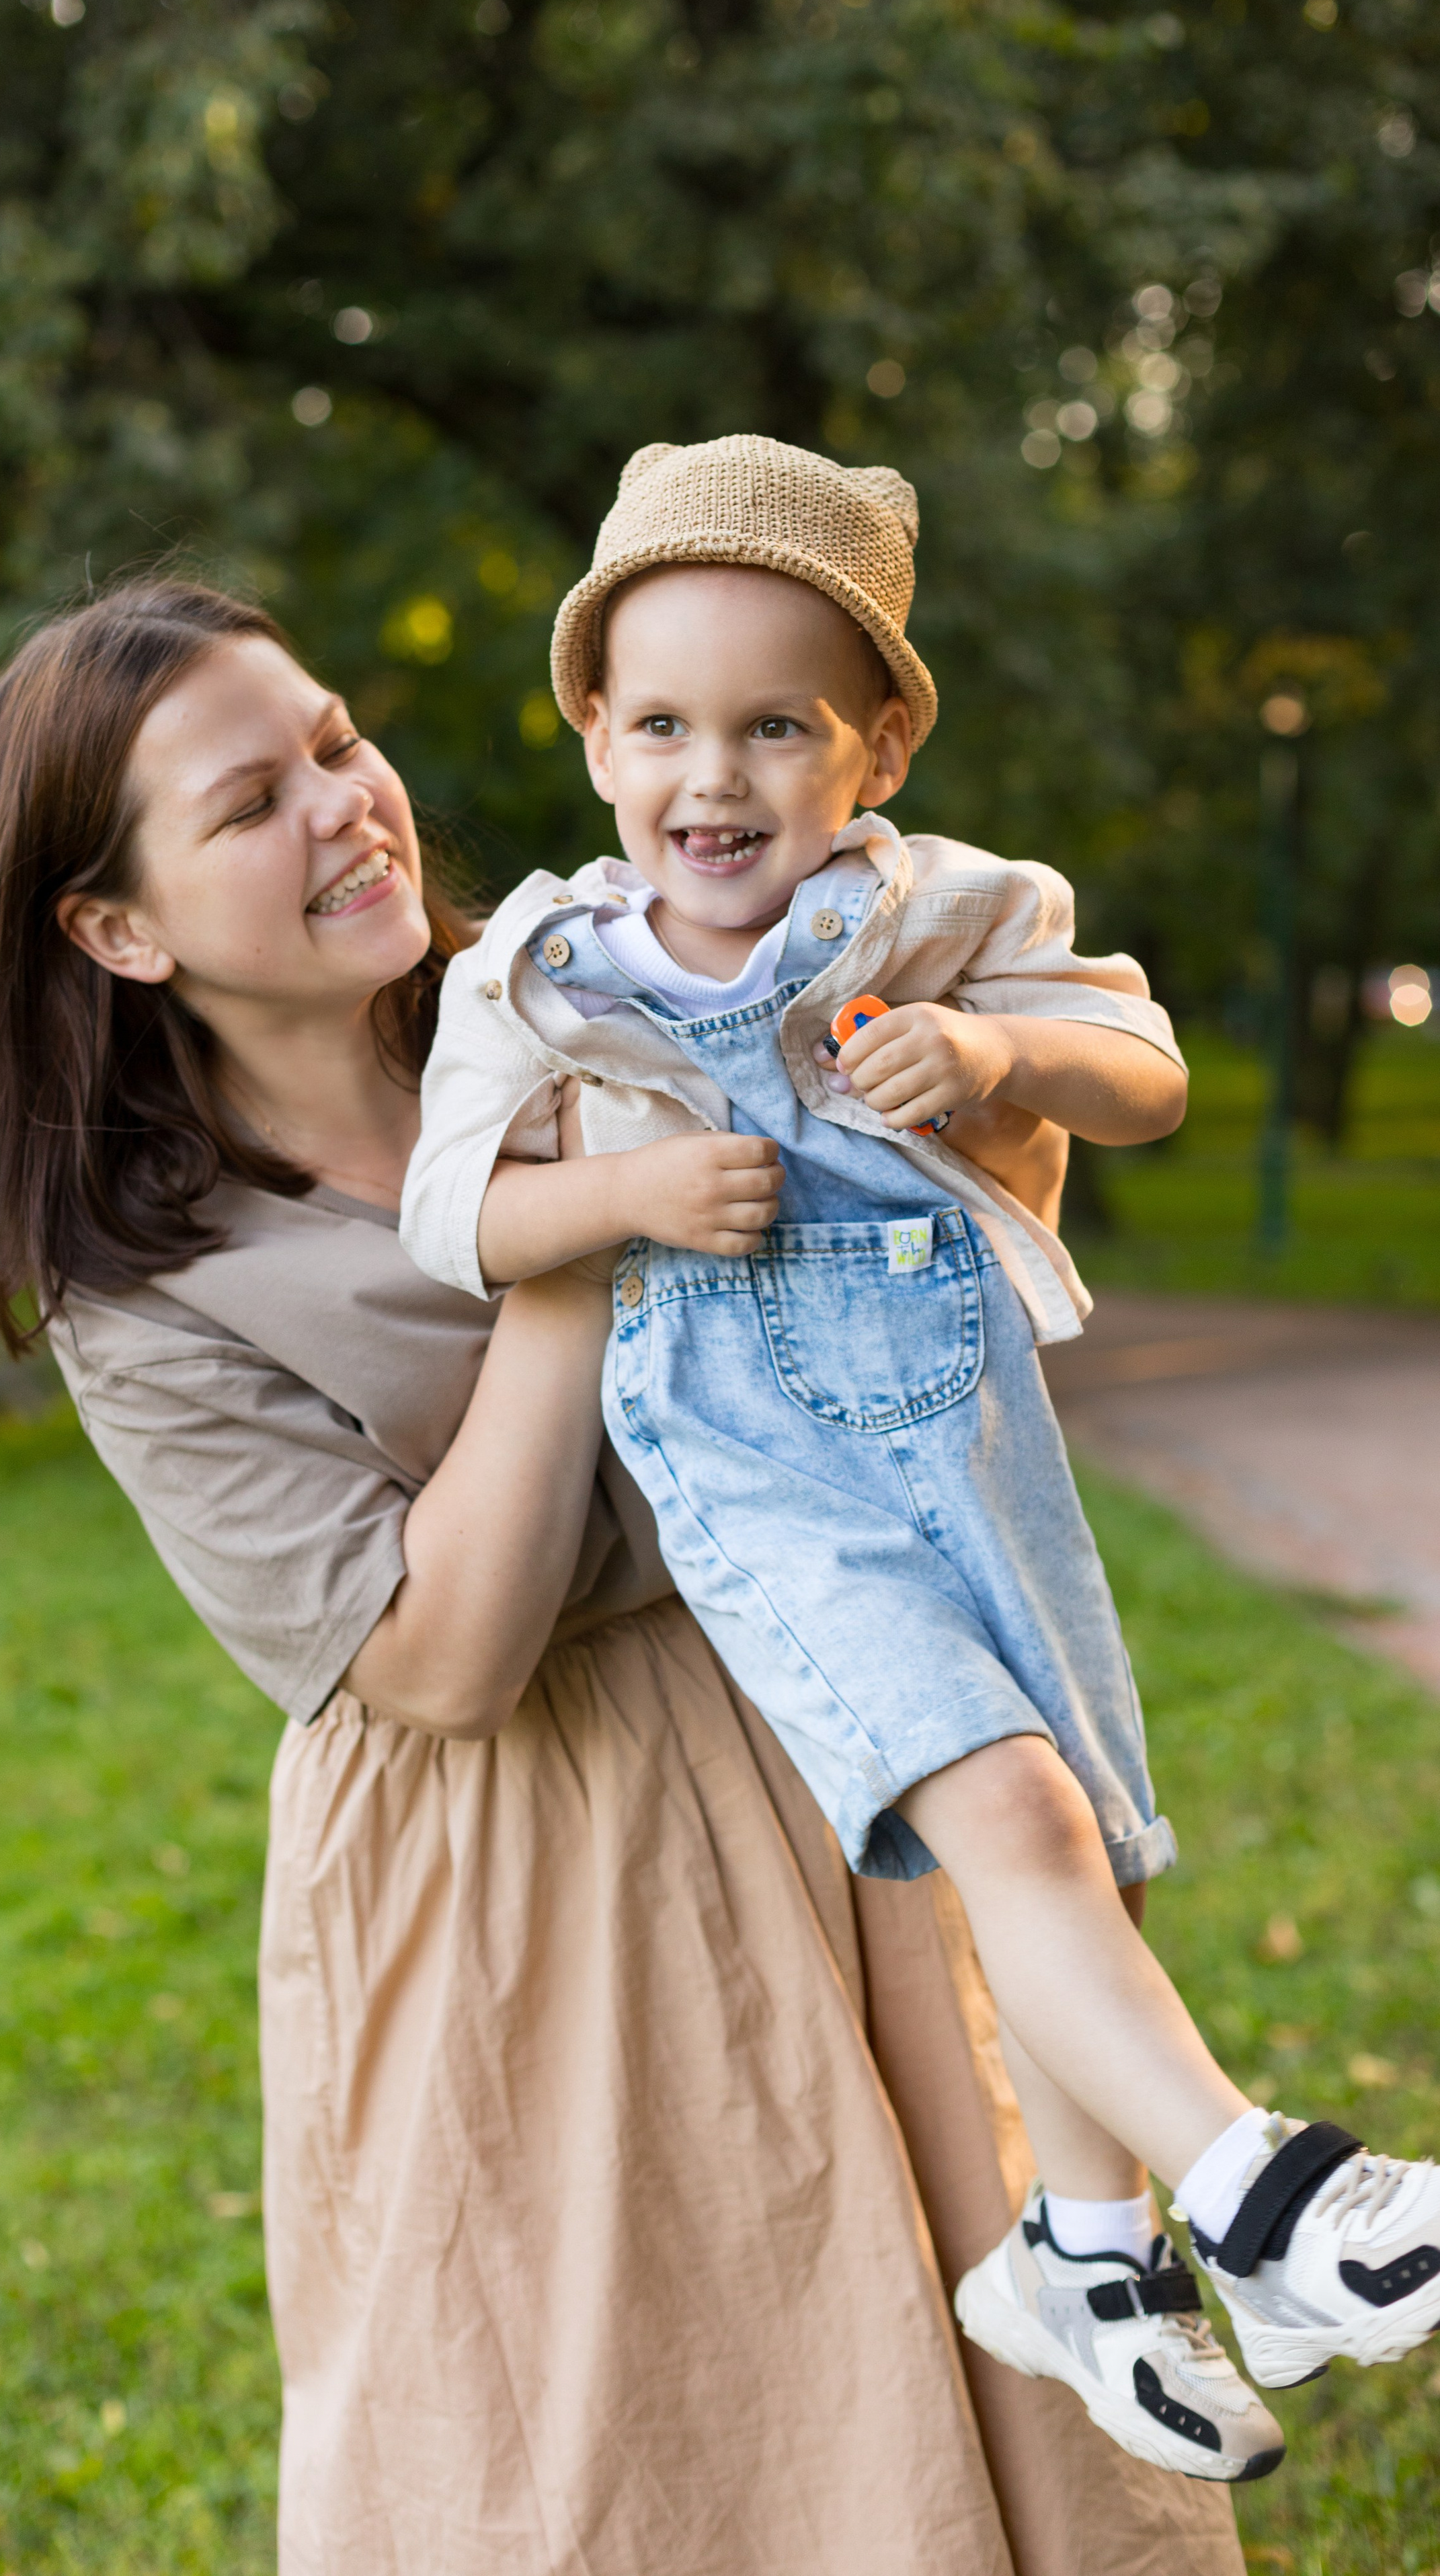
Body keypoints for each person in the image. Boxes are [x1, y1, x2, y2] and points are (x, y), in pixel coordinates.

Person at [0, 572, 1249, 2571]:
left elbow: (949, 1222)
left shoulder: (601, 979)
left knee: (993, 2364)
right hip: (521, 1864)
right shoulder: (154, 1286)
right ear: (119, 929)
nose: (344, 805)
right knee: (617, 2425)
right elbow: (442, 1662)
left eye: (334, 742)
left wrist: (962, 1070)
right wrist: (566, 1222)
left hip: (826, 1719)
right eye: (249, 805)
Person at [401, 436, 1440, 2479]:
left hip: (965, 1434)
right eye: (664, 725)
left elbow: (1143, 1073)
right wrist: (616, 1202)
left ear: (874, 747)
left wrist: (993, 1052)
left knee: (1083, 1838)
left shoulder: (945, 909)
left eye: (777, 726)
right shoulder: (537, 975)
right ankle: (1265, 2198)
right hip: (752, 1472)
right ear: (595, 734)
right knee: (1011, 1811)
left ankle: (1092, 2259)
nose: (714, 778)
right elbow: (448, 1216)